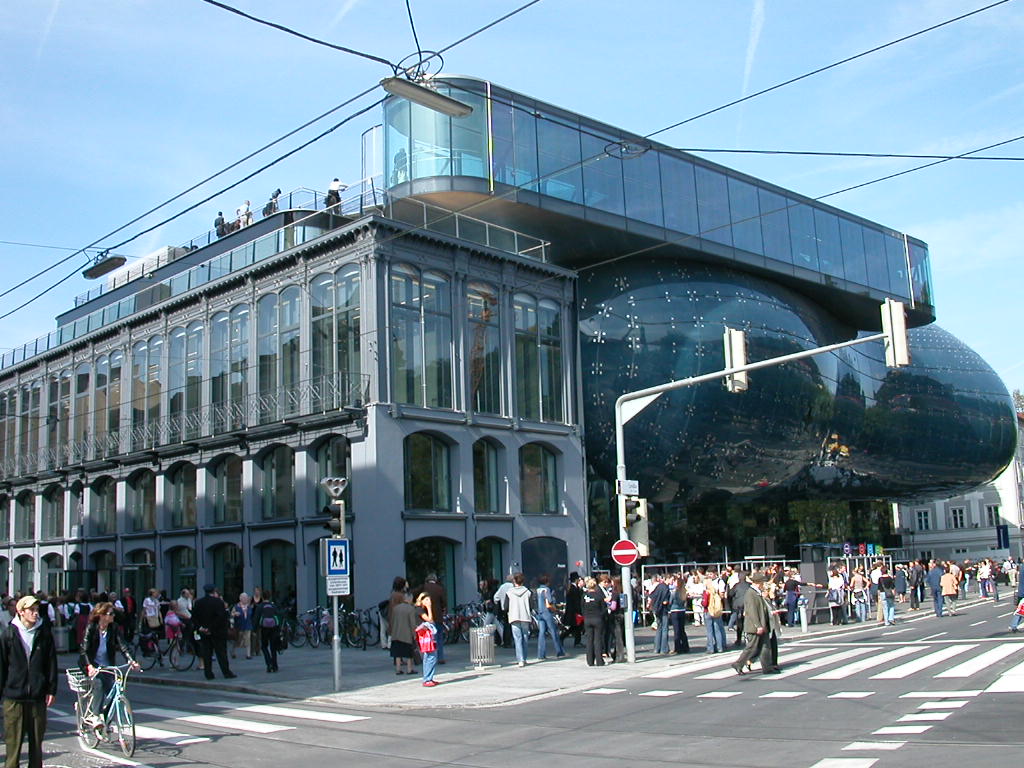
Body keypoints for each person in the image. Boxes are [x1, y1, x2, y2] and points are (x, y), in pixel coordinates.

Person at [0, 595, 58, 768]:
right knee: (13, 746)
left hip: (37, 696)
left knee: (36, 746)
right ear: (21, 611)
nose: (35, 613)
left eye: (36, 610)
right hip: (14, 698)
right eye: (31, 610)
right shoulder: (9, 633)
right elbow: (2, 665)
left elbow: (51, 664)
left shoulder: (44, 633)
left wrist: (51, 689)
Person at [79, 602, 139, 725]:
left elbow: (123, 646)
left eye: (113, 614)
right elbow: (84, 650)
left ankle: (105, 722)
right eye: (110, 614)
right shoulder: (91, 627)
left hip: (107, 665)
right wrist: (89, 666)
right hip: (92, 665)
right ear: (101, 615)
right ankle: (95, 715)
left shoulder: (114, 627)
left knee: (115, 691)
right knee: (99, 683)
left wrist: (131, 660)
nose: (113, 616)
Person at [732, 572, 775, 675]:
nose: (763, 584)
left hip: (762, 624)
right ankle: (738, 664)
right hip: (755, 626)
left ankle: (767, 667)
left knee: (765, 646)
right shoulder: (751, 593)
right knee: (752, 647)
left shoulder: (757, 593)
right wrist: (758, 626)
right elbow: (752, 611)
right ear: (758, 582)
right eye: (762, 582)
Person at [191, 584, 236, 680]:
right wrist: (211, 628)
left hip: (204, 631)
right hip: (217, 632)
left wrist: (201, 628)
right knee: (221, 653)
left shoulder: (198, 602)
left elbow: (194, 617)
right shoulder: (218, 602)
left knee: (207, 653)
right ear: (213, 591)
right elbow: (221, 617)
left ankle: (208, 673)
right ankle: (226, 672)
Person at [416, 574, 448, 664]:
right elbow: (444, 602)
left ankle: (427, 657)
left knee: (427, 638)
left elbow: (415, 595)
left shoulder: (423, 587)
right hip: (438, 617)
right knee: (439, 638)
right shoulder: (439, 588)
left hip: (425, 616)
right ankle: (440, 657)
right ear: (435, 580)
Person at [503, 573, 532, 667]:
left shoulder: (509, 592)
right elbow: (532, 606)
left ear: (514, 581)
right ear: (523, 581)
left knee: (517, 638)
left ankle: (520, 659)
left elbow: (505, 606)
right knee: (525, 637)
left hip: (514, 616)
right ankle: (525, 657)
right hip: (525, 617)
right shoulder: (528, 592)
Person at [534, 574, 565, 660]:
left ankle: (541, 654)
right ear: (547, 581)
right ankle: (559, 651)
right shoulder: (546, 590)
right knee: (554, 632)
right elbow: (549, 602)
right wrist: (556, 610)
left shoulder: (538, 590)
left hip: (539, 612)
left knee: (541, 633)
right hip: (547, 612)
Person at [389, 593, 418, 675]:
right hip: (406, 634)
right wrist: (414, 634)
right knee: (409, 653)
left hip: (396, 633)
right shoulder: (410, 609)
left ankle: (398, 669)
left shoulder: (396, 608)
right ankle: (409, 669)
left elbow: (392, 620)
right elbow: (412, 623)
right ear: (409, 599)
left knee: (398, 653)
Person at [414, 593, 439, 687]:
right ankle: (427, 679)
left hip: (425, 635)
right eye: (427, 600)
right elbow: (430, 620)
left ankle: (429, 678)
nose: (429, 602)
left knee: (428, 657)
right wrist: (429, 608)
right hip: (425, 636)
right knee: (431, 656)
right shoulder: (420, 610)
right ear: (422, 600)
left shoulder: (419, 609)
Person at [580, 578, 605, 667]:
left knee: (589, 640)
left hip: (587, 619)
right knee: (597, 640)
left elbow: (582, 608)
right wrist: (601, 615)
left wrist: (585, 615)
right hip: (597, 618)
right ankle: (599, 661)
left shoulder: (584, 596)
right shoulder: (599, 596)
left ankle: (590, 661)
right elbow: (603, 608)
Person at [254, 591, 280, 673]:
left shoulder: (260, 606)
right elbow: (278, 616)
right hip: (274, 628)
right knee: (273, 647)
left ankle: (269, 664)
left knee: (264, 646)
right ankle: (275, 665)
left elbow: (256, 618)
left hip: (264, 629)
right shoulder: (273, 606)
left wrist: (254, 630)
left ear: (262, 597)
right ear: (270, 597)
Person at [647, 575, 671, 654]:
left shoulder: (657, 587)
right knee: (665, 629)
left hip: (656, 609)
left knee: (659, 629)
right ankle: (664, 649)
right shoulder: (665, 588)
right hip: (663, 610)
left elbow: (651, 597)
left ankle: (656, 648)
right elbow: (665, 601)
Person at [668, 575, 690, 654]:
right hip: (682, 611)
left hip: (675, 611)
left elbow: (670, 601)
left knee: (676, 631)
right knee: (682, 630)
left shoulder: (674, 592)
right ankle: (685, 646)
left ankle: (677, 648)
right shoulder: (684, 592)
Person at [563, 572, 584, 648]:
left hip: (573, 611)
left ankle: (576, 641)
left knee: (576, 627)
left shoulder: (573, 588)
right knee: (576, 626)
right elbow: (576, 601)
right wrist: (579, 611)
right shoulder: (573, 588)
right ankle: (564, 637)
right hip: (574, 611)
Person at [230, 593, 253, 660]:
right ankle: (233, 652)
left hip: (247, 625)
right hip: (239, 626)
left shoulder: (249, 606)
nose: (245, 599)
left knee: (248, 639)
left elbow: (251, 615)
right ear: (240, 599)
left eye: (246, 598)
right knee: (238, 640)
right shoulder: (236, 606)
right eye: (244, 598)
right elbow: (231, 614)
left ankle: (248, 654)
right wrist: (235, 614)